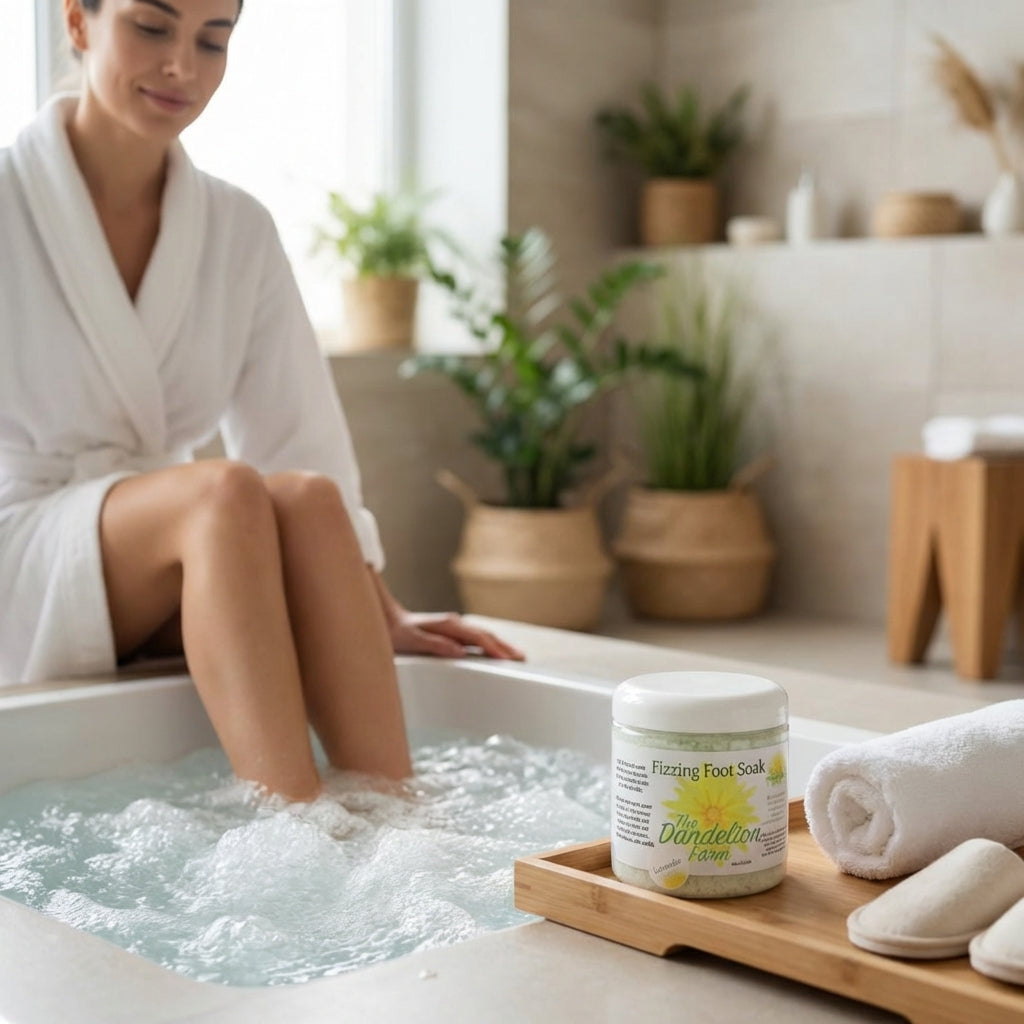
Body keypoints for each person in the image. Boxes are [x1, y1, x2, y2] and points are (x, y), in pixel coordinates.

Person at [0, 0, 523, 801]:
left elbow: (301, 442)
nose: (184, 66)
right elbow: (223, 488)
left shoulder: (237, 226)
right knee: (220, 490)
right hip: (27, 541)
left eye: (214, 39)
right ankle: (296, 825)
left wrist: (377, 608)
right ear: (77, 21)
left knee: (306, 499)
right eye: (152, 27)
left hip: (173, 550)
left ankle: (399, 820)